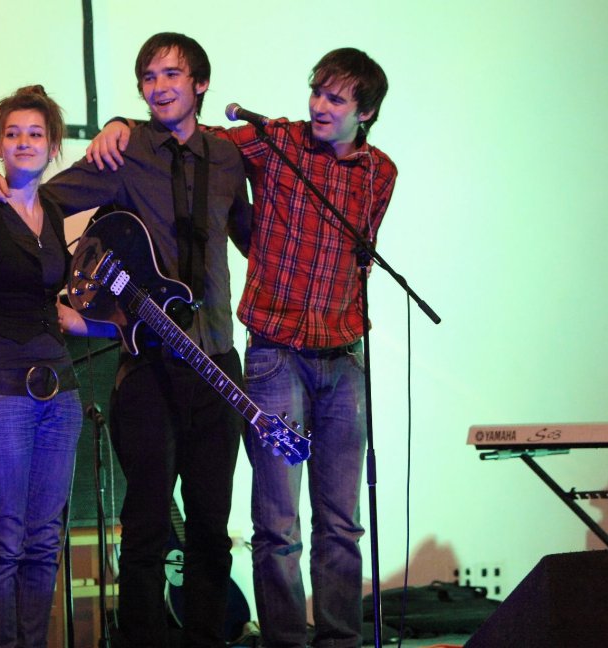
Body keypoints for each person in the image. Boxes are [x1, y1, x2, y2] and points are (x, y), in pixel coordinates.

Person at [86, 47, 398, 648]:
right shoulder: (272, 140)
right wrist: (120, 124)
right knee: (277, 525)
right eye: (317, 91)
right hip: (274, 354)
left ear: (366, 112)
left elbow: (359, 252)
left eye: (335, 98)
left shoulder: (380, 173)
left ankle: (340, 641)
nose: (319, 105)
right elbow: (187, 136)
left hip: (344, 357)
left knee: (342, 523)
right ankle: (284, 641)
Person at [0, 32, 251, 648]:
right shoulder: (124, 152)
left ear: (201, 84)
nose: (159, 87)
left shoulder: (228, 157)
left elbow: (253, 237)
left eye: (172, 75)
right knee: (145, 524)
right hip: (147, 370)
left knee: (211, 526)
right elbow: (44, 197)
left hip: (216, 362)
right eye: (149, 77)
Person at [0, 85, 85, 648]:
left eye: (35, 133)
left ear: (53, 145)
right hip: (0, 393)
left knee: (44, 541)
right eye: (12, 133)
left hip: (60, 393)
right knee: (5, 540)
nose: (24, 142)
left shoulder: (52, 212)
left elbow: (54, 296)